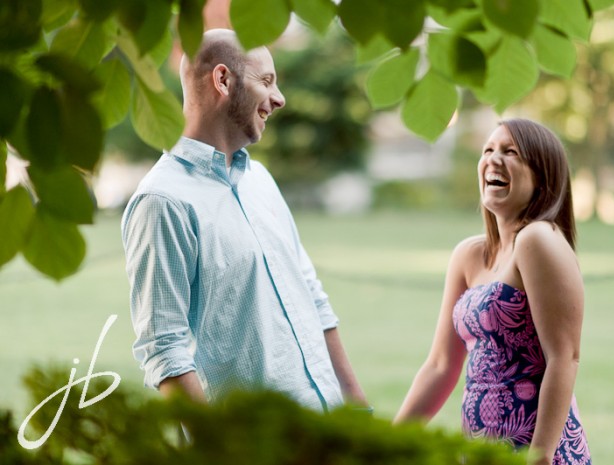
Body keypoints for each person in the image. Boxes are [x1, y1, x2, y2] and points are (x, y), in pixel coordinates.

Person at [121, 29, 368, 412]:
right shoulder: (163, 201)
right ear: (223, 80)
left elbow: (312, 298)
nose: (279, 98)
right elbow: (164, 350)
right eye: (266, 81)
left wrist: (357, 410)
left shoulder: (261, 181)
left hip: (328, 429)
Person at [394, 119, 590, 465]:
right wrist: (387, 446)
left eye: (510, 152)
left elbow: (565, 357)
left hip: (535, 450)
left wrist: (540, 457)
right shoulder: (469, 255)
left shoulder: (537, 239)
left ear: (542, 175)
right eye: (488, 150)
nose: (493, 160)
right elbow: (441, 366)